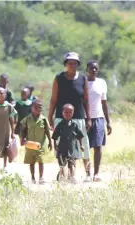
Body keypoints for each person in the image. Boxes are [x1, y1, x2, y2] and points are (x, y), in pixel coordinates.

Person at [48, 52, 93, 181]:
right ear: (66, 64)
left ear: (78, 65)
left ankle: (88, 173)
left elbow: (86, 100)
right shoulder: (59, 78)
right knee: (62, 146)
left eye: (75, 63)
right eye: (70, 63)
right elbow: (53, 99)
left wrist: (88, 118)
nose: (72, 65)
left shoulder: (82, 79)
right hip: (61, 118)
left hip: (78, 117)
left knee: (83, 145)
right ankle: (63, 172)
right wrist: (50, 117)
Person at [86, 60, 112, 182]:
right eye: (91, 68)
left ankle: (96, 173)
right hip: (85, 118)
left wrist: (108, 122)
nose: (94, 70)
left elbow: (104, 103)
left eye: (96, 68)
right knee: (85, 146)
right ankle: (87, 172)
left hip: (98, 117)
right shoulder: (82, 82)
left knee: (98, 146)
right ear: (87, 69)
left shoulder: (101, 83)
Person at [20, 99, 52, 184]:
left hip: (40, 144)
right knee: (31, 162)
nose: (39, 108)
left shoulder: (44, 119)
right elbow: (23, 130)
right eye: (37, 107)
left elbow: (47, 131)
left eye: (40, 107)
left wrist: (50, 142)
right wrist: (22, 139)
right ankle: (33, 178)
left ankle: (41, 178)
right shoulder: (27, 119)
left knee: (41, 161)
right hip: (30, 144)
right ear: (32, 108)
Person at [52, 104, 84, 184]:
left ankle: (72, 177)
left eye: (70, 112)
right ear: (62, 113)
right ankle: (62, 176)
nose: (68, 114)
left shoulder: (75, 125)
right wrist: (55, 145)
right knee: (62, 163)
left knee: (72, 163)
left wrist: (81, 145)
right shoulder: (60, 125)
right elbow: (55, 136)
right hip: (62, 147)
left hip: (72, 148)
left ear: (73, 113)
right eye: (66, 112)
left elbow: (80, 136)